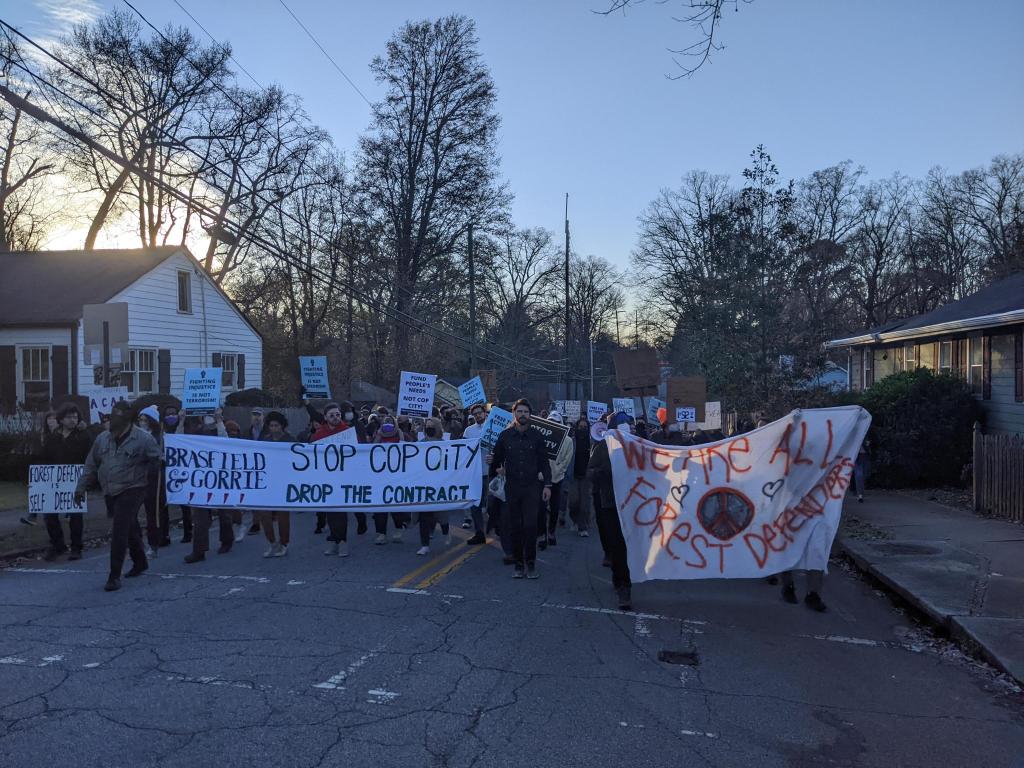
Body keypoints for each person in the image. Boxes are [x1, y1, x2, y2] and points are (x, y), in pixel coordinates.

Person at [74, 402, 161, 592]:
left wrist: (158, 465)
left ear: (128, 420)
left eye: (118, 418)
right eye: (112, 417)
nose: (113, 421)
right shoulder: (102, 439)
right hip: (110, 490)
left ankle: (114, 576)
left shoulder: (143, 439)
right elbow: (91, 465)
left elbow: (158, 458)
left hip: (134, 488)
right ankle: (140, 561)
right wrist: (81, 488)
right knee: (128, 527)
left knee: (119, 529)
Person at [489, 399, 551, 579]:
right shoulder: (505, 436)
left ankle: (530, 564)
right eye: (519, 411)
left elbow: (544, 463)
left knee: (530, 526)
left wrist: (547, 485)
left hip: (532, 487)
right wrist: (494, 465)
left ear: (530, 415)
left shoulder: (537, 436)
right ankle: (518, 564)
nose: (522, 415)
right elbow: (497, 459)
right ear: (514, 414)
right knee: (515, 527)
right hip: (512, 487)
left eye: (525, 412)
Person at [589, 412, 633, 609]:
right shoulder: (602, 449)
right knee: (616, 545)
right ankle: (622, 584)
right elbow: (591, 471)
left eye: (627, 425)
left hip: (634, 505)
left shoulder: (638, 448)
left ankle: (626, 579)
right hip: (610, 503)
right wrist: (604, 472)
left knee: (630, 546)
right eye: (621, 425)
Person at [312, 402, 367, 556]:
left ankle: (342, 542)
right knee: (330, 512)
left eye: (337, 414)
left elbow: (356, 453)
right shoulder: (318, 435)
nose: (335, 417)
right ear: (325, 417)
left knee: (341, 512)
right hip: (326, 479)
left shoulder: (348, 432)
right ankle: (333, 541)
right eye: (332, 415)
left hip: (344, 478)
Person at [41, 403, 93, 561]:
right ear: (61, 419)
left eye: (75, 417)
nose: (73, 420)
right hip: (54, 481)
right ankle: (58, 545)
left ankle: (76, 547)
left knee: (75, 515)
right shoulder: (53, 438)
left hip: (75, 480)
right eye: (69, 417)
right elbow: (44, 459)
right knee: (49, 514)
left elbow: (90, 458)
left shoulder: (83, 437)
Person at [258, 411, 293, 557]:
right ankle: (272, 543)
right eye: (271, 426)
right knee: (264, 515)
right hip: (268, 482)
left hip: (284, 482)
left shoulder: (290, 440)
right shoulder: (265, 441)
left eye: (276, 425)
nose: (274, 428)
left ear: (282, 426)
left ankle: (284, 543)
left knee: (283, 516)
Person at [416, 416, 451, 555]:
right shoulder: (420, 443)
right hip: (424, 484)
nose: (428, 427)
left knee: (441, 514)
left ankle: (446, 531)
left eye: (431, 425)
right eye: (427, 425)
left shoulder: (444, 444)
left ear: (437, 428)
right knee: (424, 515)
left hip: (440, 483)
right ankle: (425, 545)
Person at [538, 411, 573, 550]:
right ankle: (542, 535)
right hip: (541, 478)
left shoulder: (568, 441)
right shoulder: (540, 437)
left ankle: (551, 531)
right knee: (540, 508)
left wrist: (558, 471)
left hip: (557, 479)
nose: (554, 425)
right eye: (551, 422)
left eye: (556, 422)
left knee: (554, 507)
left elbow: (566, 460)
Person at [372, 417, 409, 544]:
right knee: (380, 507)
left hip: (397, 477)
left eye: (390, 422)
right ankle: (381, 533)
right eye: (385, 422)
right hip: (380, 476)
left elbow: (407, 450)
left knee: (395, 505)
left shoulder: (401, 435)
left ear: (395, 424)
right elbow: (372, 451)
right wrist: (378, 437)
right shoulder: (378, 434)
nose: (388, 424)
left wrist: (401, 436)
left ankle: (399, 529)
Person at [460, 403, 489, 546]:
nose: (478, 415)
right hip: (474, 473)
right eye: (475, 413)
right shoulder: (469, 431)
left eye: (480, 412)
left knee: (493, 504)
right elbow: (464, 451)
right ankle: (479, 533)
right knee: (475, 505)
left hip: (491, 472)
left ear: (485, 413)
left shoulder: (493, 427)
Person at [568, 415, 592, 537]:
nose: (582, 429)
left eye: (585, 427)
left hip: (586, 476)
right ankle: (574, 519)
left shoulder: (591, 442)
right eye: (580, 426)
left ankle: (582, 527)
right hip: (573, 475)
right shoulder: (571, 441)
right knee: (573, 501)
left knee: (584, 503)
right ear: (576, 427)